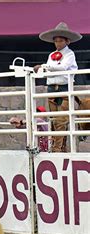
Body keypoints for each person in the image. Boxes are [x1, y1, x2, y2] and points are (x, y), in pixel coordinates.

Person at [33, 22, 82, 153]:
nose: (58, 43)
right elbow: (52, 70)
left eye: (60, 41)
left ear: (67, 41)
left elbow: (62, 67)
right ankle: (61, 148)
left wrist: (44, 66)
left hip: (64, 88)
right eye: (56, 41)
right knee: (55, 119)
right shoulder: (51, 55)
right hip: (52, 88)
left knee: (60, 120)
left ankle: (56, 149)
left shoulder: (70, 54)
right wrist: (43, 69)